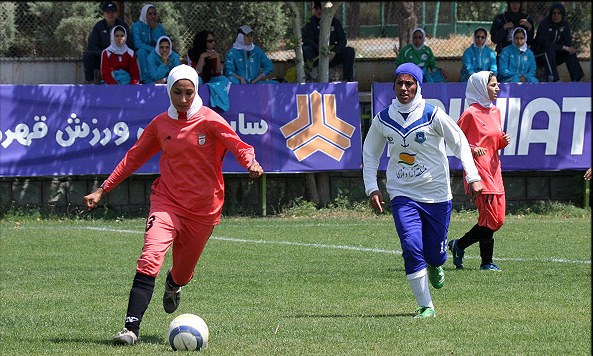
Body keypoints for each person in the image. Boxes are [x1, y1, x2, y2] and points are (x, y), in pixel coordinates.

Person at [83, 64, 264, 345]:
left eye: (188, 93)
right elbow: (133, 158)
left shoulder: (210, 120)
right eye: (177, 92)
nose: (183, 98)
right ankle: (130, 329)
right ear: (169, 91)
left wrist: (250, 161)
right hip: (166, 202)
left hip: (204, 210)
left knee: (182, 272)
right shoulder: (160, 125)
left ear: (196, 91)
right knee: (149, 256)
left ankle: (173, 285)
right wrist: (103, 189)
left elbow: (238, 145)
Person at [362, 63, 482, 318]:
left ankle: (437, 262)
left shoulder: (433, 114)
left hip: (437, 195)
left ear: (418, 85)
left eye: (409, 83)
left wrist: (472, 176)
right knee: (410, 245)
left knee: (434, 254)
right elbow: (370, 153)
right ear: (393, 86)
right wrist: (372, 187)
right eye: (399, 83)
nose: (404, 88)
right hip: (402, 194)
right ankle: (426, 305)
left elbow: (460, 143)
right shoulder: (383, 119)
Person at [448, 71, 511, 271]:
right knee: (490, 218)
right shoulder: (470, 114)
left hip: (494, 170)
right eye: (493, 85)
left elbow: (493, 142)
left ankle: (459, 245)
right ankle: (486, 262)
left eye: (497, 84)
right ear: (481, 88)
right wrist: (473, 150)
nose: (497, 88)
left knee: (497, 219)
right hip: (479, 173)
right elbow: (456, 142)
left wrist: (502, 141)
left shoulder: (496, 111)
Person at [301, 0, 356, 82]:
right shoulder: (310, 23)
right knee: (306, 49)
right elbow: (307, 40)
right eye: (316, 9)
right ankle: (311, 76)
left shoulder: (334, 22)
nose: (318, 11)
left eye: (321, 8)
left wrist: (334, 52)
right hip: (316, 56)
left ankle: (348, 79)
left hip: (332, 56)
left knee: (349, 51)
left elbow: (342, 40)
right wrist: (319, 50)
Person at [82, 1, 133, 84]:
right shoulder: (98, 26)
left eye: (113, 12)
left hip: (120, 57)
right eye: (108, 12)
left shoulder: (123, 25)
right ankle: (89, 82)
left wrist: (118, 54)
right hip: (103, 58)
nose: (110, 15)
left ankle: (131, 81)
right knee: (88, 56)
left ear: (116, 13)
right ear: (103, 14)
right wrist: (105, 54)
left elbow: (129, 44)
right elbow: (92, 45)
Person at [533, 2, 584, 82]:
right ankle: (553, 79)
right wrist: (563, 47)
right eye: (554, 13)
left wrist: (568, 48)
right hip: (538, 55)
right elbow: (545, 44)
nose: (556, 16)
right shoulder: (544, 24)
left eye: (559, 13)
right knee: (549, 51)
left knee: (570, 53)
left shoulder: (565, 25)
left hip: (553, 56)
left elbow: (568, 44)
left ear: (562, 14)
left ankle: (577, 80)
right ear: (550, 14)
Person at [187, 30, 231, 111]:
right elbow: (195, 73)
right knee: (198, 80)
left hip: (210, 79)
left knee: (223, 79)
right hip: (198, 79)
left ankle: (218, 104)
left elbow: (217, 74)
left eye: (213, 41)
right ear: (203, 42)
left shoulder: (213, 53)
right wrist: (202, 57)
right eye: (210, 41)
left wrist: (217, 58)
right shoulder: (191, 54)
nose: (213, 43)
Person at [131, 4, 167, 83]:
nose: (153, 16)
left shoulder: (159, 27)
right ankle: (145, 80)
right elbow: (137, 44)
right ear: (144, 14)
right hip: (144, 52)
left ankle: (163, 78)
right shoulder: (137, 26)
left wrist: (155, 29)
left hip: (158, 53)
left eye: (154, 14)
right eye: (150, 14)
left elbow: (164, 42)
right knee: (142, 52)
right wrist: (152, 50)